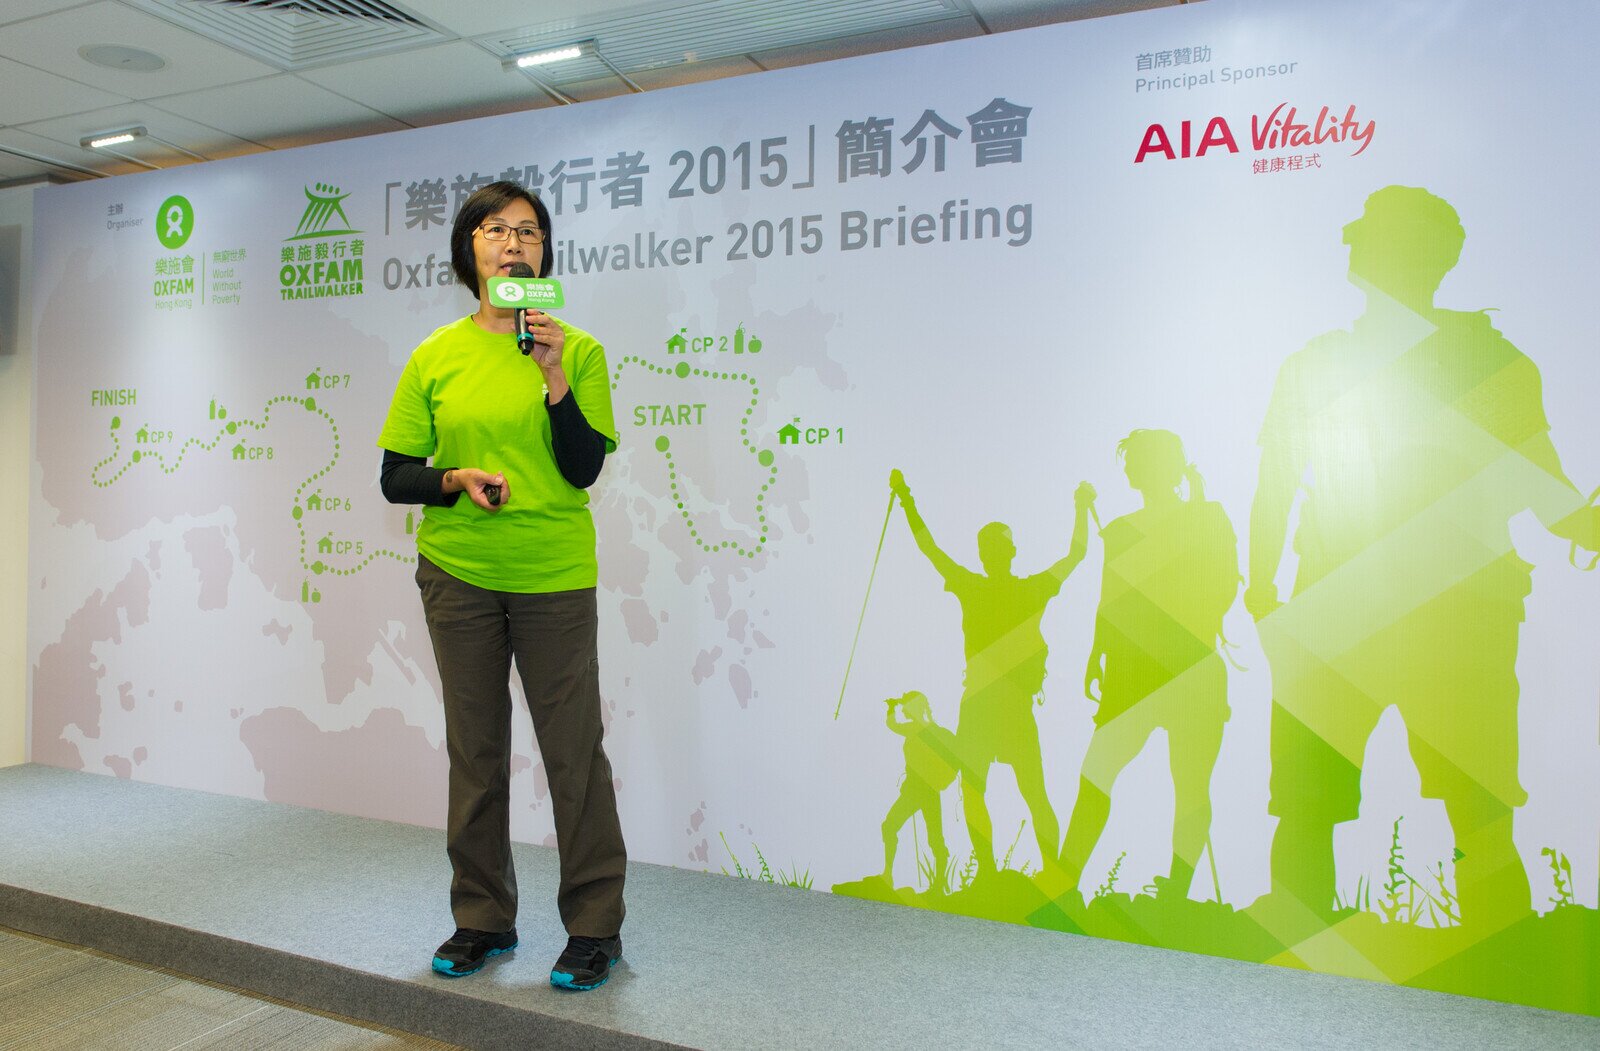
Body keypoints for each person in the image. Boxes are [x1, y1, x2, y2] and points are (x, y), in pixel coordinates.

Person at [1245, 186, 1600, 932]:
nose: (1364, 252)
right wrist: (1263, 594)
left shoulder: (1336, 365)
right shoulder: (1483, 362)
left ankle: (1483, 970)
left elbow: (1277, 484)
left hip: (1402, 611)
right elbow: (1548, 495)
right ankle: (1492, 968)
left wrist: (1265, 595)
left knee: (1447, 803)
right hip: (1408, 612)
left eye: (1376, 240)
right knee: (1394, 802)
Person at [378, 181, 626, 991]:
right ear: (469, 250)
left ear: (545, 253)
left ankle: (594, 928)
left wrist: (553, 373)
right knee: (476, 753)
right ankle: (482, 917)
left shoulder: (577, 348)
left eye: (528, 231)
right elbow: (395, 476)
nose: (513, 242)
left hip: (553, 574)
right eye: (496, 229)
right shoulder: (434, 355)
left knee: (572, 756)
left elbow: (583, 466)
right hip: (460, 575)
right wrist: (454, 478)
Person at [888, 469, 1096, 879]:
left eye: (991, 547)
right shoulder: (1029, 590)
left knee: (982, 788)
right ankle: (1044, 872)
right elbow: (1077, 554)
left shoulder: (974, 587)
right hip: (1008, 704)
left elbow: (928, 547)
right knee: (1026, 792)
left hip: (985, 703)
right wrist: (1082, 507)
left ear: (993, 554)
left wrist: (906, 498)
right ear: (1008, 552)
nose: (990, 553)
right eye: (990, 547)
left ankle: (992, 871)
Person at [1059, 429, 1237, 901]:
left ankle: (1171, 891)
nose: (1138, 470)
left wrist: (1103, 651)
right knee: (1110, 773)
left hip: (1177, 662)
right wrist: (1097, 651)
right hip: (1150, 664)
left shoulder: (1206, 517)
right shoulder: (1123, 530)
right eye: (1135, 462)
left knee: (1186, 783)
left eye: (1142, 461)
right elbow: (1109, 599)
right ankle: (1067, 881)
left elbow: (1222, 587)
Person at [878, 690, 960, 891]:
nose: (904, 709)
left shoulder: (915, 728)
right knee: (935, 836)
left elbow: (892, 725)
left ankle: (888, 875)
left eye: (907, 705)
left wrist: (890, 708)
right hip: (929, 790)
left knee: (890, 826)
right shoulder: (929, 729)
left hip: (917, 790)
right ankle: (939, 882)